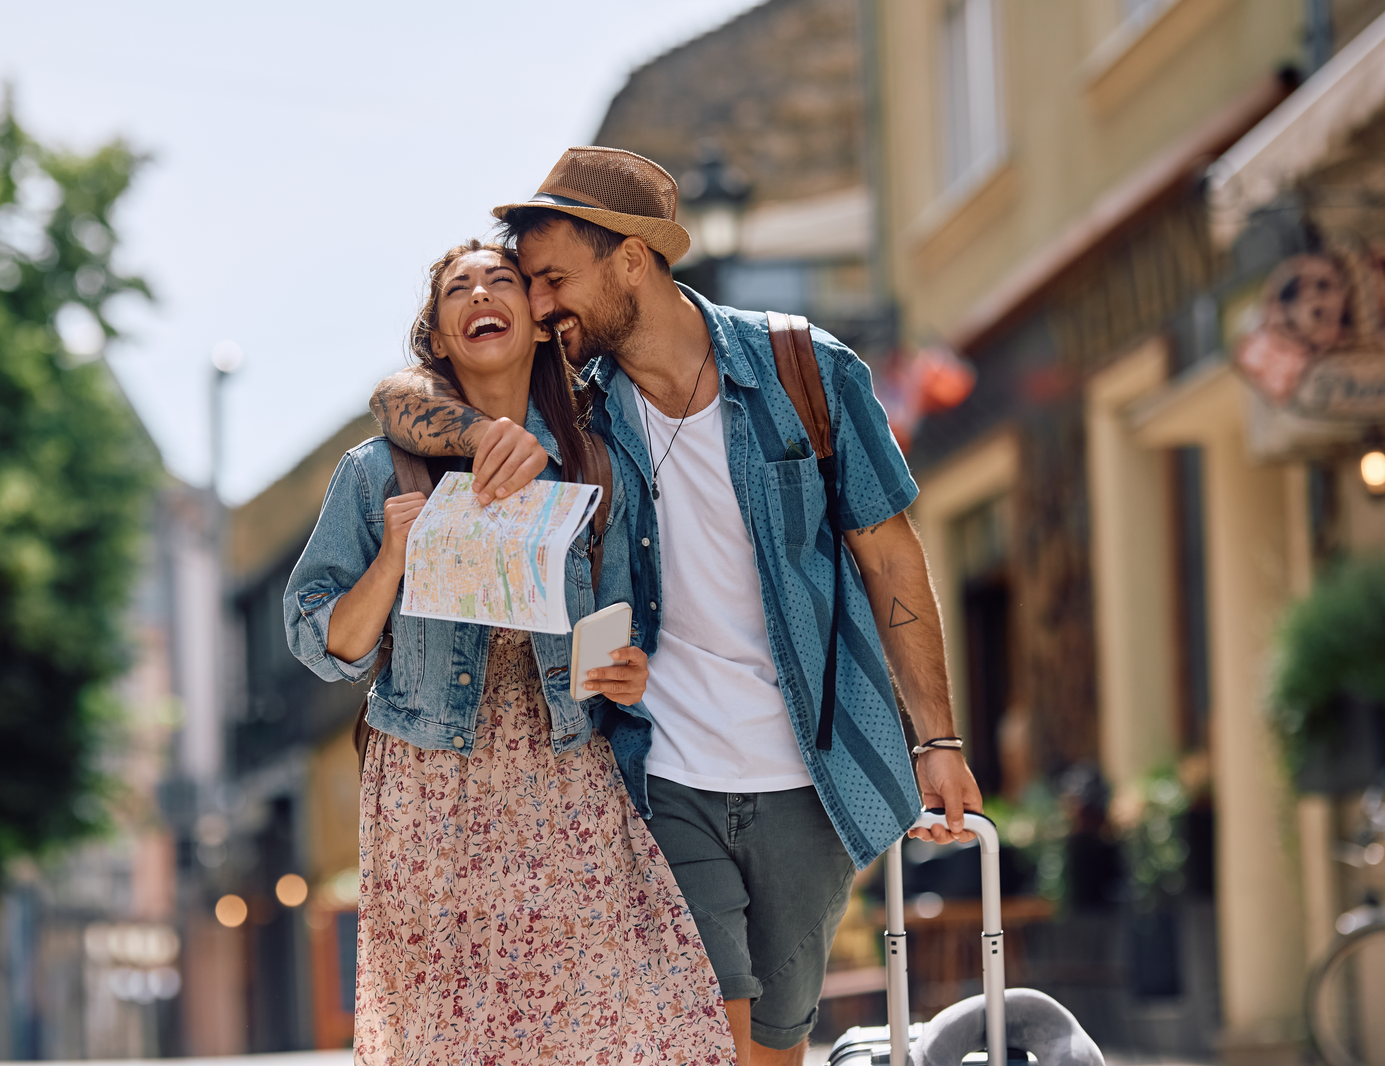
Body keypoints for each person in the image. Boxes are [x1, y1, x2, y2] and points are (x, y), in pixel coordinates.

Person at [371, 148, 985, 1066]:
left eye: (552, 279)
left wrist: (935, 738)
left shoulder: (805, 373)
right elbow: (400, 393)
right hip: (656, 774)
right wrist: (480, 432)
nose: (538, 305)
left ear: (630, 259)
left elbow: (889, 555)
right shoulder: (574, 406)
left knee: (776, 1044)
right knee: (704, 1037)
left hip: (811, 773)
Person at [284, 240, 736, 1065]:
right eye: (458, 288)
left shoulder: (596, 457)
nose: (481, 294)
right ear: (442, 337)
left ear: (534, 322)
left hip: (563, 764)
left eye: (501, 280)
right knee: (449, 1029)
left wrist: (628, 668)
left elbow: (632, 617)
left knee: (607, 1016)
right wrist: (393, 558)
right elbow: (322, 643)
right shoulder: (377, 470)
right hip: (429, 779)